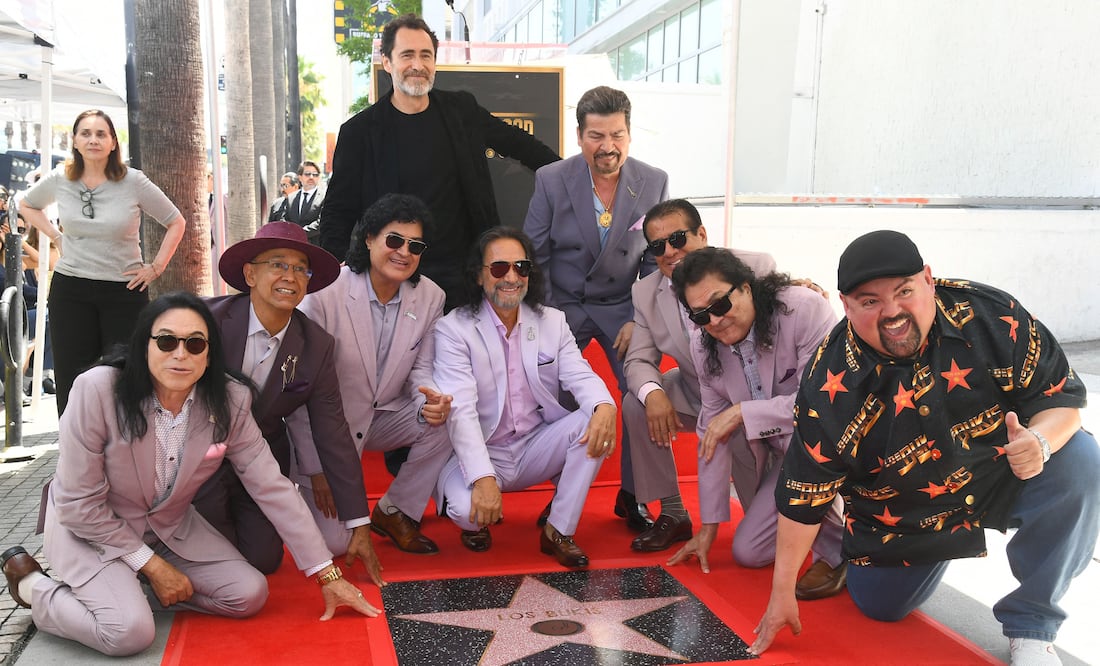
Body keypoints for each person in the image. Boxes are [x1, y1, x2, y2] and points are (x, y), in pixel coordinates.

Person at [750, 231, 1100, 665]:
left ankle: (1033, 627)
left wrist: (1041, 441)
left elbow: (1061, 400)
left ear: (929, 281)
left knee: (1081, 459)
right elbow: (805, 495)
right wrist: (781, 592)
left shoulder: (991, 316)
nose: (892, 311)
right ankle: (930, 553)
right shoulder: (828, 381)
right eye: (870, 301)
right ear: (846, 305)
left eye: (904, 291)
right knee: (881, 608)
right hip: (903, 514)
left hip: (999, 471)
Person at [0, 292, 377, 658]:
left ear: (209, 353)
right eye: (166, 341)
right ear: (143, 345)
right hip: (91, 531)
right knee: (129, 632)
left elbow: (272, 486)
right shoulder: (96, 390)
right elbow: (78, 504)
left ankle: (127, 591)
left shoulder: (230, 400)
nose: (180, 354)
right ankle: (34, 587)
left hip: (169, 529)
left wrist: (327, 574)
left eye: (195, 344)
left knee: (248, 594)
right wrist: (152, 566)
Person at [319, 14, 559, 310]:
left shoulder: (461, 111)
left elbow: (519, 144)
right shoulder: (358, 132)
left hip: (462, 279)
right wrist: (339, 275)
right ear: (387, 62)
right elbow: (337, 211)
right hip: (391, 278)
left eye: (425, 55)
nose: (417, 65)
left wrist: (571, 175)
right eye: (407, 55)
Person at [194, 222, 382, 584]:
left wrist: (359, 522)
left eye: (300, 268)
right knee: (212, 546)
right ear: (249, 273)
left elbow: (334, 432)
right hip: (197, 459)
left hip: (263, 462)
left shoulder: (316, 344)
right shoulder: (208, 321)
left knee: (264, 560)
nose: (290, 276)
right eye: (278, 264)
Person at [524, 85, 668, 534]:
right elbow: (535, 251)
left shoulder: (654, 180)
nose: (608, 147)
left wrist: (637, 318)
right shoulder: (551, 178)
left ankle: (634, 495)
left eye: (617, 135)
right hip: (561, 306)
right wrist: (545, 319)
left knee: (640, 393)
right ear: (579, 135)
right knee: (555, 396)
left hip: (622, 309)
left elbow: (654, 258)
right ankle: (562, 495)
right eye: (596, 136)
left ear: (629, 133)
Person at [663, 247, 845, 598]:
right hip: (786, 460)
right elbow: (711, 433)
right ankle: (811, 521)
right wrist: (709, 525)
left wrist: (742, 412)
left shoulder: (804, 309)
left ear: (746, 287)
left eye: (719, 305)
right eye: (701, 315)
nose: (714, 321)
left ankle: (837, 551)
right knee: (748, 553)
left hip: (835, 441)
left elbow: (824, 403)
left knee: (805, 439)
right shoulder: (705, 348)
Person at [432, 226, 616, 568]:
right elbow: (461, 411)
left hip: (535, 444)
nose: (511, 277)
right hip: (484, 448)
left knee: (596, 419)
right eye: (499, 268)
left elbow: (580, 374)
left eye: (522, 267)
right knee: (465, 511)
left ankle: (558, 530)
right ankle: (474, 514)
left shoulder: (552, 322)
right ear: (479, 276)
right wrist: (483, 478)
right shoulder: (453, 328)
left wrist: (605, 405)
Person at [299, 193, 454, 555]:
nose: (404, 252)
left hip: (386, 415)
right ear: (369, 238)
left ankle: (394, 510)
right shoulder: (324, 293)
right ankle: (299, 490)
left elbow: (422, 368)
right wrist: (313, 467)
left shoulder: (431, 297)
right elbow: (299, 390)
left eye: (415, 245)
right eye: (394, 240)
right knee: (337, 546)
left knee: (448, 417)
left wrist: (426, 402)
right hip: (329, 430)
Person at [623, 199, 777, 552]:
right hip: (697, 393)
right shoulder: (646, 292)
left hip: (759, 403)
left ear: (702, 234)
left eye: (678, 238)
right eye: (658, 246)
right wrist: (654, 394)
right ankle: (673, 513)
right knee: (637, 402)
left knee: (763, 541)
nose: (670, 251)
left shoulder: (754, 267)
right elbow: (639, 361)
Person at [19, 109, 186, 415]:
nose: (93, 140)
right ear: (75, 141)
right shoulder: (60, 178)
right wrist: (56, 236)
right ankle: (75, 452)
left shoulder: (133, 181)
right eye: (86, 133)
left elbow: (176, 221)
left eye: (101, 134)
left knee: (125, 376)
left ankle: (126, 448)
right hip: (71, 289)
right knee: (72, 377)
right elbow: (26, 204)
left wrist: (156, 267)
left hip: (124, 290)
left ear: (112, 143)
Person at [287, 161, 324, 234]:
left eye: (315, 175)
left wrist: (300, 233)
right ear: (300, 177)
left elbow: (321, 222)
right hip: (293, 243)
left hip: (315, 243)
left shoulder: (324, 197)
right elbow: (286, 220)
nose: (311, 177)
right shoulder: (291, 198)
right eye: (307, 174)